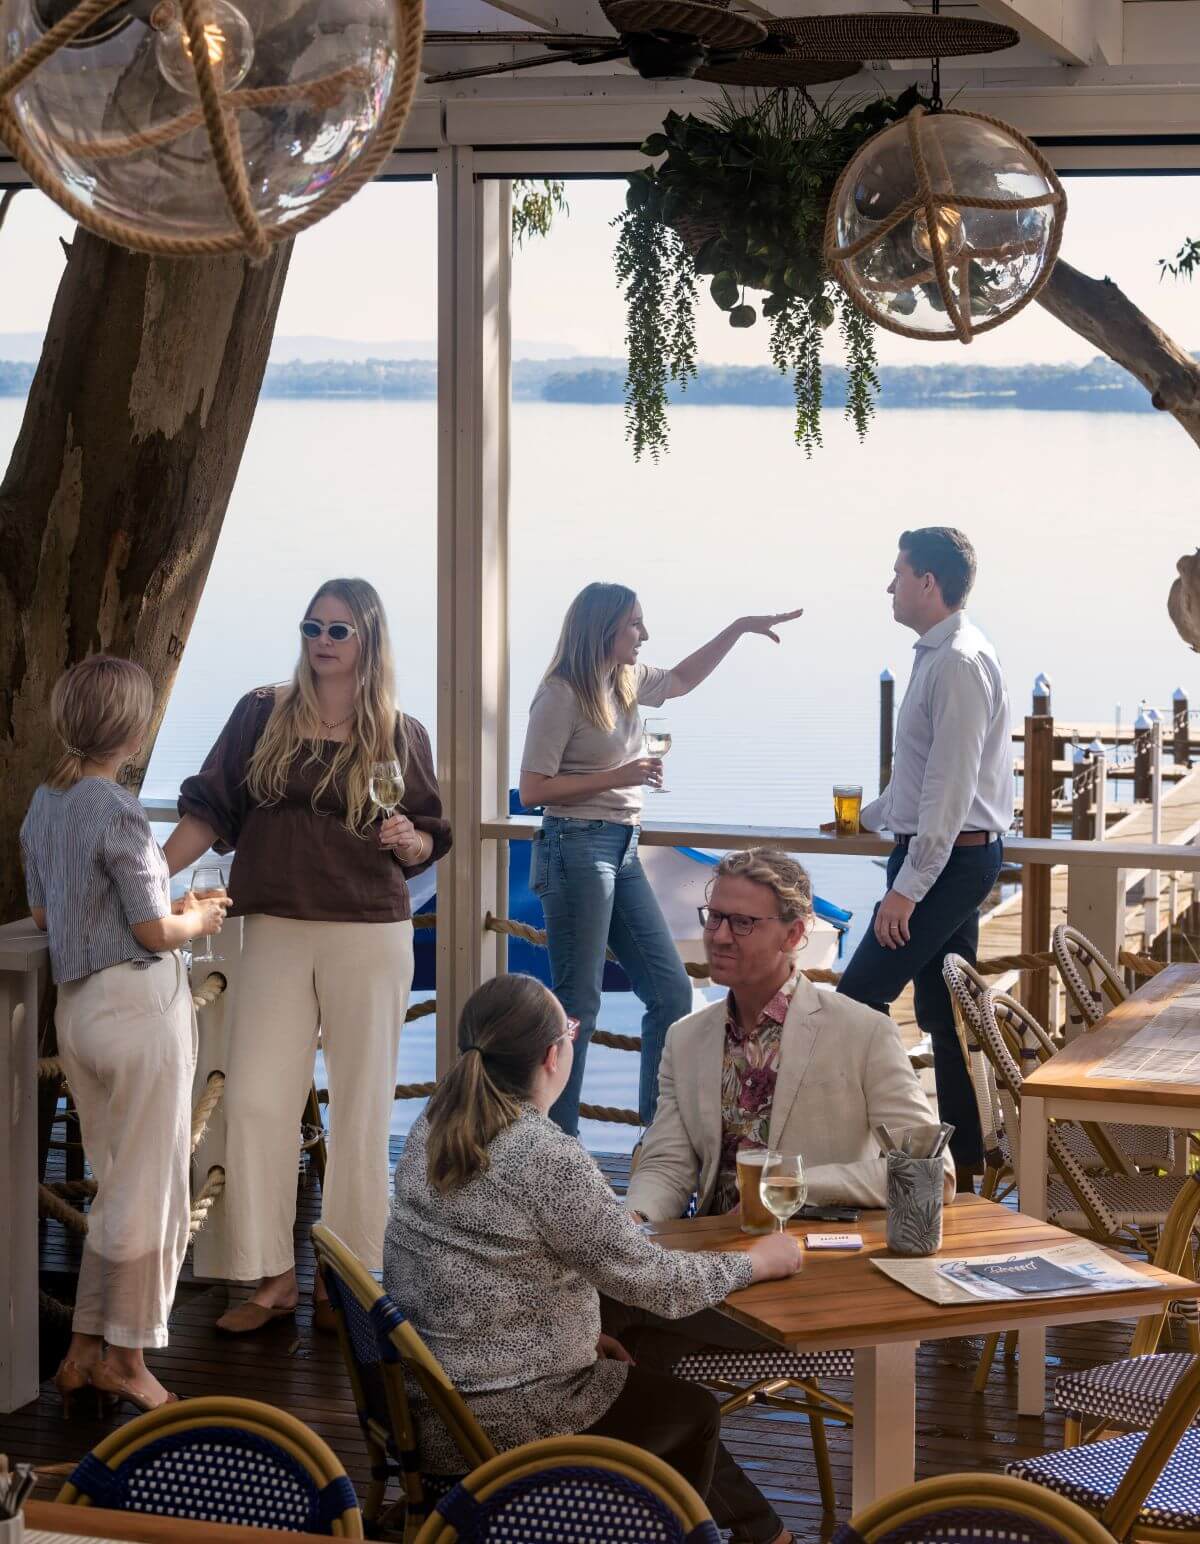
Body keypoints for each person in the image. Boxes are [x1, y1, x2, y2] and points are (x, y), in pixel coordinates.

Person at [384, 973, 801, 1544]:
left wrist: (578, 1336)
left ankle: (759, 1533)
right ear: (553, 1055)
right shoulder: (543, 1156)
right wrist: (759, 1260)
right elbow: (660, 1285)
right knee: (692, 1413)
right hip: (500, 1420)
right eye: (571, 1032)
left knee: (640, 1358)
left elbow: (477, 1268)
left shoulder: (437, 1119)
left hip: (428, 1402)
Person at [164, 577, 451, 1333]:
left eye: (338, 630)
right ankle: (270, 1277)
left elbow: (428, 836)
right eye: (312, 627)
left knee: (361, 1107)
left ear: (368, 639)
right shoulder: (261, 712)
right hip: (275, 926)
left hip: (369, 930)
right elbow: (210, 808)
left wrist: (410, 841)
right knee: (256, 1102)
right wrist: (149, 877)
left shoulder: (400, 733)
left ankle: (346, 1280)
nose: (322, 640)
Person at [20, 655, 230, 1412]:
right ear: (136, 733)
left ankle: (84, 1352)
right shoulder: (118, 809)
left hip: (78, 1013)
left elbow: (48, 914)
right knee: (152, 1193)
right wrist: (197, 918)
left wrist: (158, 912)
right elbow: (151, 929)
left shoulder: (45, 804)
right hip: (137, 1012)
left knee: (118, 1188)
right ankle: (130, 1362)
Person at [520, 582, 803, 1135]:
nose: (644, 634)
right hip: (575, 846)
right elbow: (533, 790)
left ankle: (658, 1144)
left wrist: (739, 628)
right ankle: (557, 1146)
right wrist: (620, 776)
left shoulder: (623, 679)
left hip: (622, 849)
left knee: (670, 991)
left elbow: (681, 681)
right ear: (603, 629)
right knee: (577, 1005)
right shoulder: (561, 693)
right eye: (635, 624)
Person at [624, 848, 953, 1224]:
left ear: (793, 934)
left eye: (743, 922)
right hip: (712, 1247)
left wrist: (793, 1187)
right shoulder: (684, 1039)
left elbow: (932, 1172)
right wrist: (635, 1218)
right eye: (714, 917)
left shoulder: (864, 1033)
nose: (720, 936)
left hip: (813, 1247)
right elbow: (667, 1165)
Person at [836, 528, 1012, 1190]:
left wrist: (906, 889)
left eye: (898, 572)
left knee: (857, 999)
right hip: (944, 857)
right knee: (941, 1015)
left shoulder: (958, 663)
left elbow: (950, 793)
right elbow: (920, 781)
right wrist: (868, 819)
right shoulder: (941, 654)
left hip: (946, 864)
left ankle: (892, 1155)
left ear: (927, 583)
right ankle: (965, 1167)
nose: (890, 585)